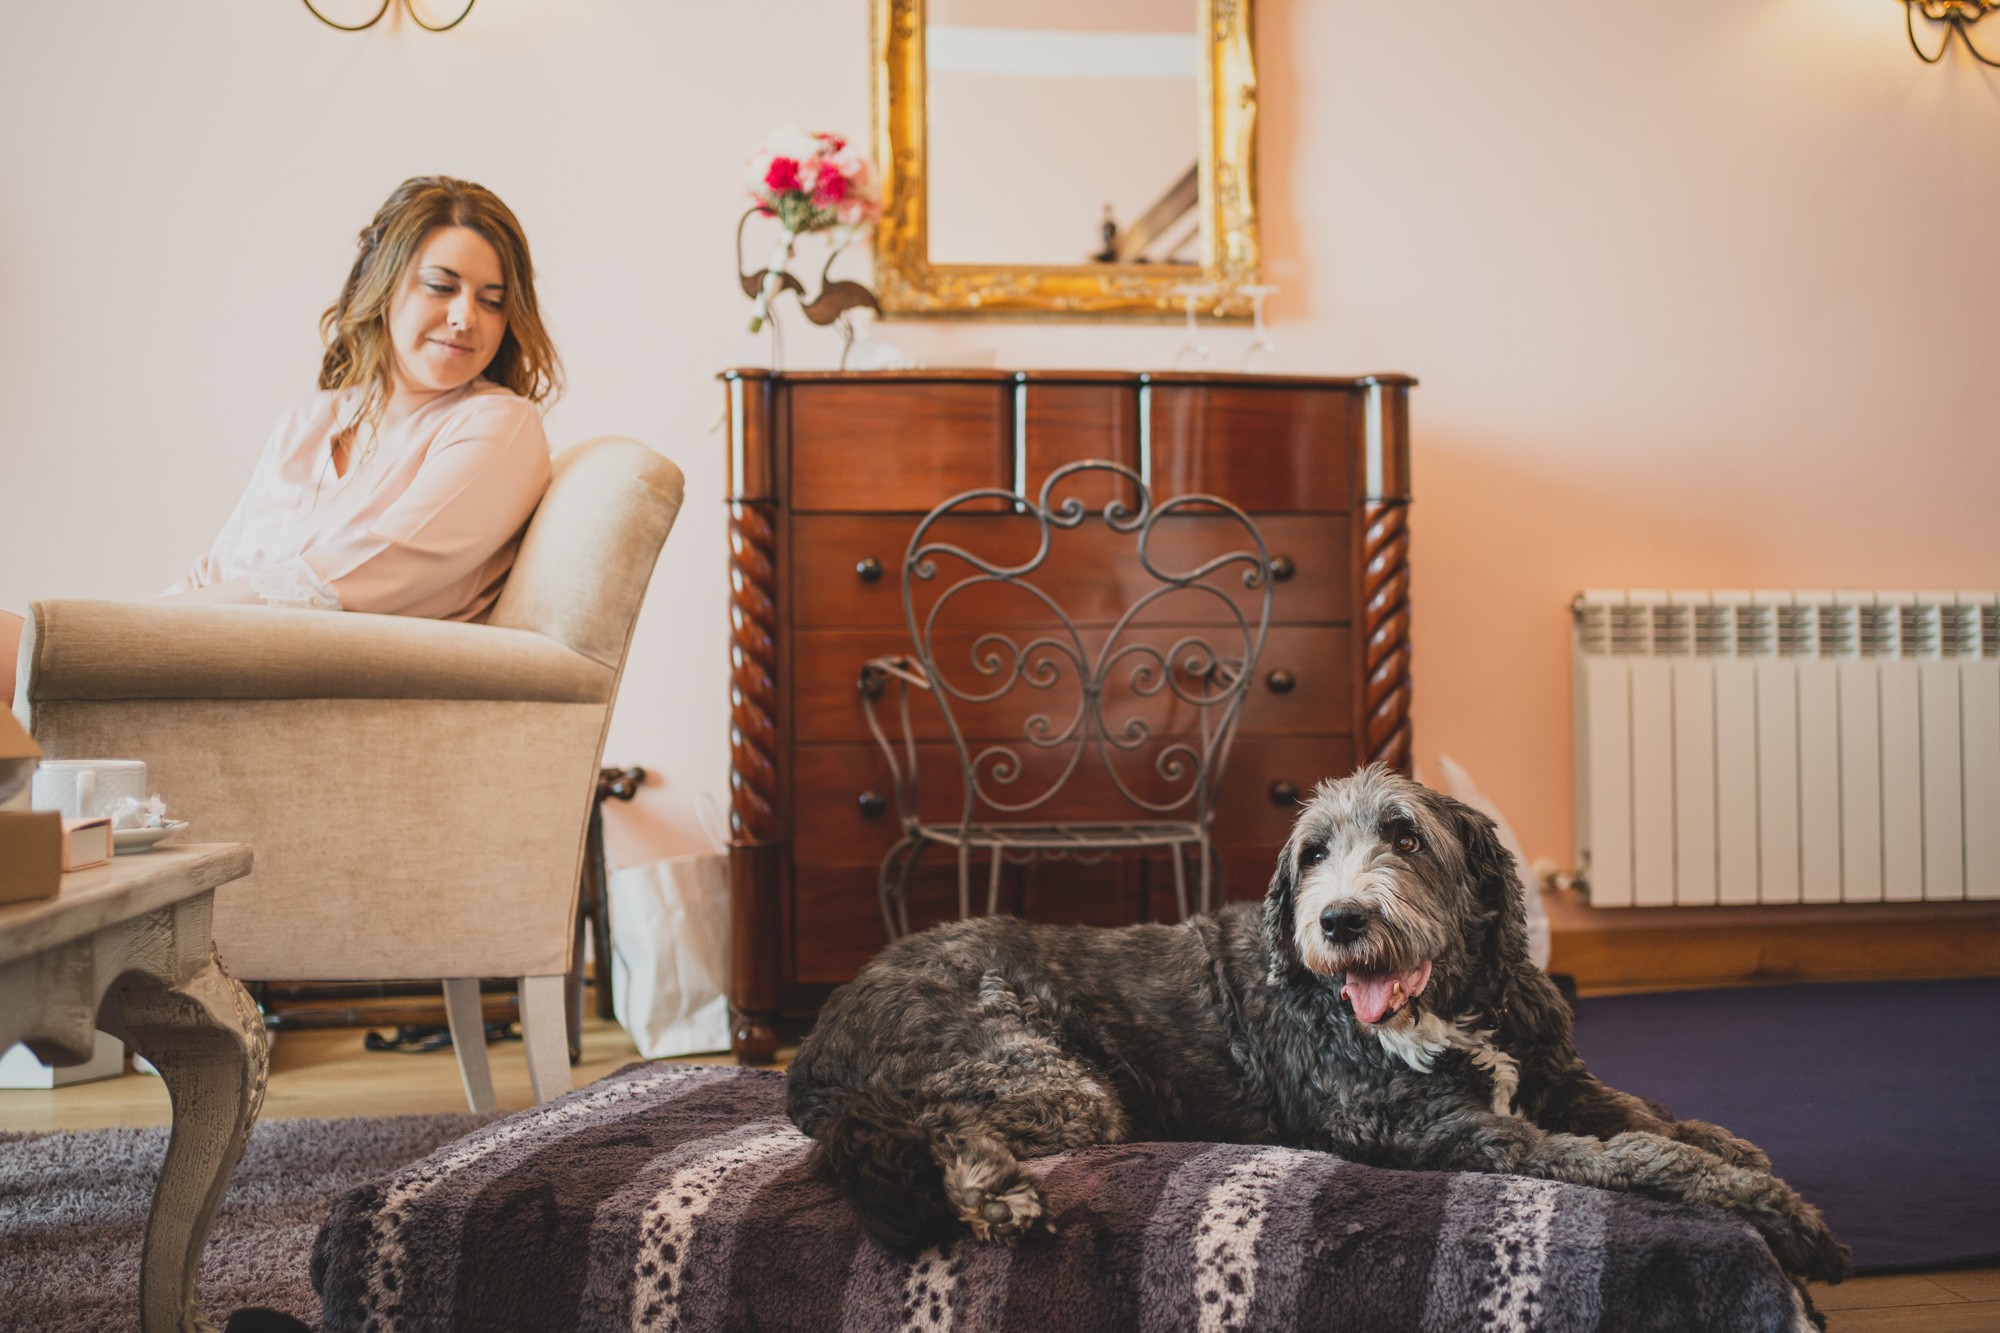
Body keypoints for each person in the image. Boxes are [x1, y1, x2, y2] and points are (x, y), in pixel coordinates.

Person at [2, 175, 561, 708]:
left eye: (492, 300)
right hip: (217, 660)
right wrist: (140, 626)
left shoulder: (498, 425)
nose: (466, 316)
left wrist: (134, 635)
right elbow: (217, 568)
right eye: (441, 286)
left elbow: (366, 572)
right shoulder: (311, 420)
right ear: (384, 284)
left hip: (307, 691)